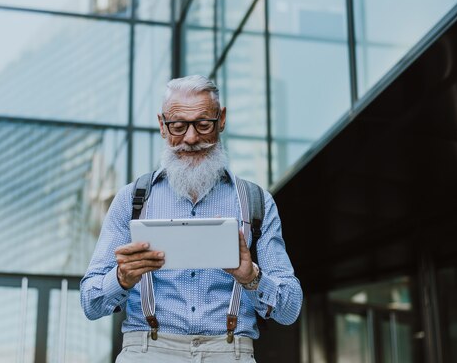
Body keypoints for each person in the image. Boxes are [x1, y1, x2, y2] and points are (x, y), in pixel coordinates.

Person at [81, 75, 302, 362]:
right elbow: (90, 302)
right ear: (162, 125)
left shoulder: (256, 202)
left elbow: (290, 309)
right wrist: (121, 279)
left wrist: (253, 278)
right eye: (178, 126)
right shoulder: (131, 199)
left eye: (203, 124)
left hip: (229, 351)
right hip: (147, 350)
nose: (191, 138)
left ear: (221, 120)